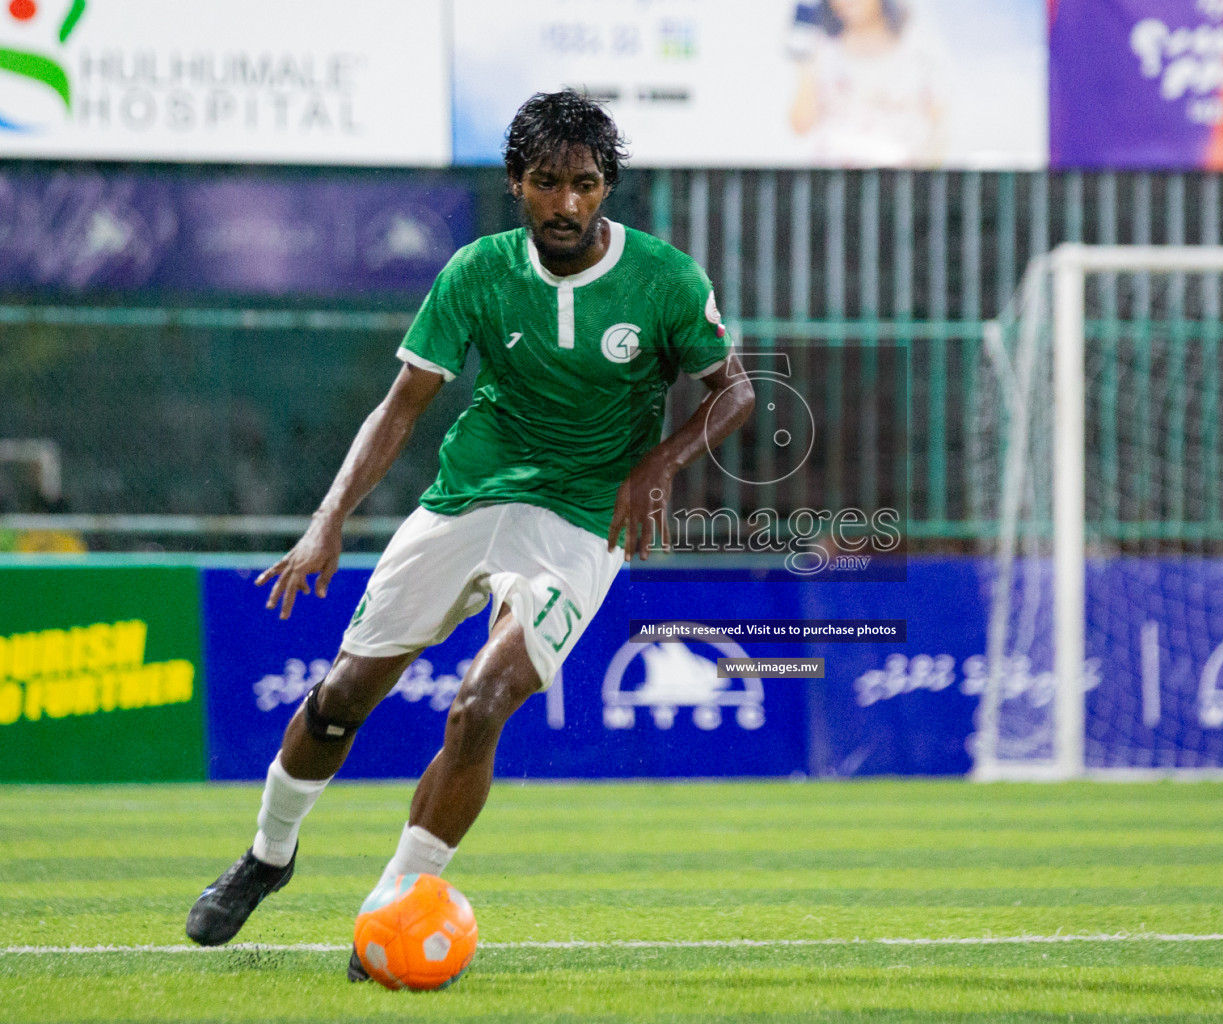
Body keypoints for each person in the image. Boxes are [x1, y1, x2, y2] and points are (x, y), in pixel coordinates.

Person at [185, 90, 755, 975]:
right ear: (517, 185)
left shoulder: (666, 280)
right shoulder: (477, 273)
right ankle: (267, 857)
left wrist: (658, 465)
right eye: (548, 182)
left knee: (483, 704)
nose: (567, 203)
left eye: (586, 184)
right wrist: (327, 521)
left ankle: (392, 905)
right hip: (467, 499)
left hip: (579, 524)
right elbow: (401, 406)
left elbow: (737, 390)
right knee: (341, 700)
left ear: (608, 188)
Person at [787, 0, 947, 166]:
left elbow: (939, 125)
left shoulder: (918, 47)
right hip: (835, 178)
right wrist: (804, 65)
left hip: (897, 178)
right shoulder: (824, 50)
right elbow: (801, 125)